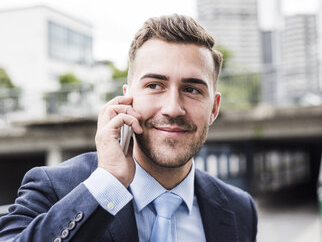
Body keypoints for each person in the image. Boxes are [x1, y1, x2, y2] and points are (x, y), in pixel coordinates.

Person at [0, 14, 257, 242]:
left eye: (192, 89)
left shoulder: (240, 209)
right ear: (126, 98)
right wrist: (108, 183)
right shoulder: (53, 187)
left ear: (214, 108)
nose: (172, 108)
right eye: (155, 85)